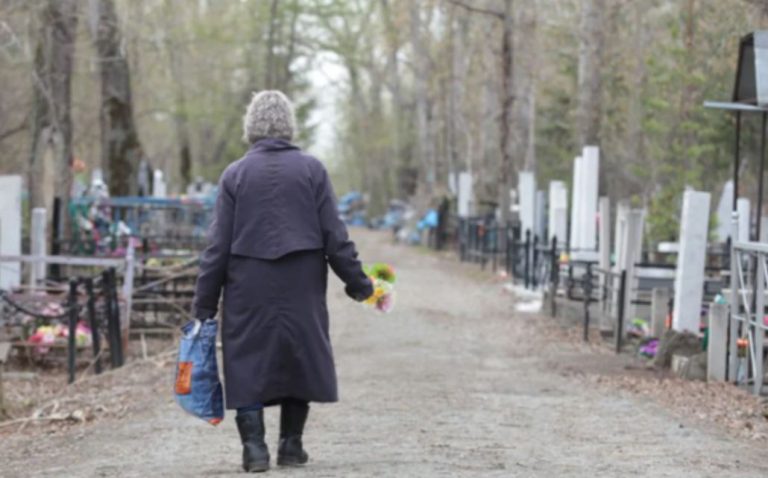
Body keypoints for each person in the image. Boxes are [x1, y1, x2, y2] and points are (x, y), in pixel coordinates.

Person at [192, 90, 373, 472]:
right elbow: (334, 236)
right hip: (301, 280)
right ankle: (291, 445)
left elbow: (217, 246)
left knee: (246, 358)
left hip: (247, 283)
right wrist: (358, 283)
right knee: (299, 354)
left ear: (251, 127)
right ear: (289, 126)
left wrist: (204, 305)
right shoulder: (312, 170)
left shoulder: (235, 174)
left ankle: (254, 449)